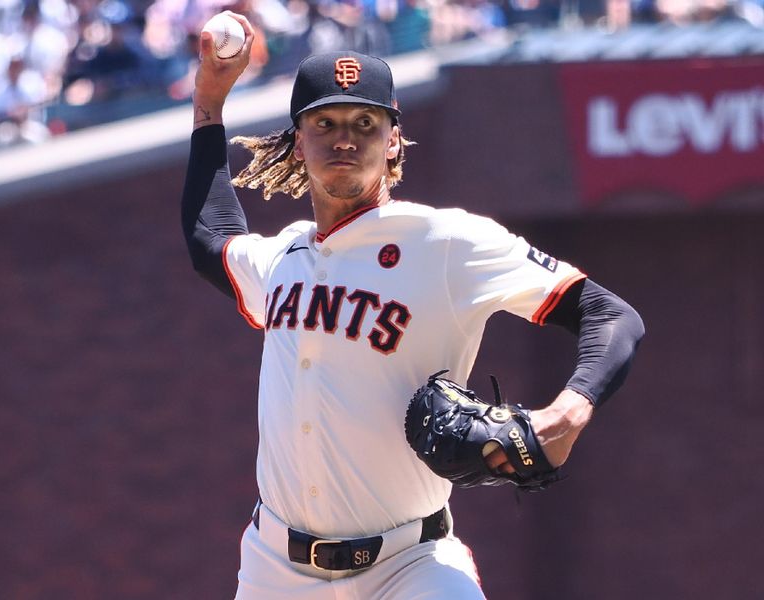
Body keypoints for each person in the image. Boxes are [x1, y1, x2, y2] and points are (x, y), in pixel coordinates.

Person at [181, 12, 644, 598]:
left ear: (393, 138)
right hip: (277, 566)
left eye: (365, 122)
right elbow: (209, 242)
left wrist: (567, 413)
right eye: (324, 122)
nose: (344, 138)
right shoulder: (282, 258)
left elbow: (611, 315)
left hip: (411, 566)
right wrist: (209, 103)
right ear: (298, 142)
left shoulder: (446, 240)